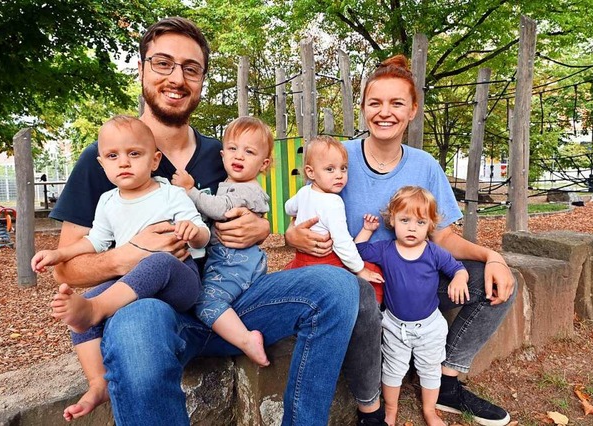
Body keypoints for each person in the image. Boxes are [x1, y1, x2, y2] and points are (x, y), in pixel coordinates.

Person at [49, 17, 360, 425]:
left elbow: (267, 214)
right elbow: (67, 267)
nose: (177, 78)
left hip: (236, 303)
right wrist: (130, 256)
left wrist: (265, 231)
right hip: (159, 312)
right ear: (141, 69)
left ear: (201, 81)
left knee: (337, 285)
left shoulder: (225, 152)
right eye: (163, 63)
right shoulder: (107, 156)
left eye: (190, 68)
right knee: (137, 325)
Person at [285, 54, 516, 426]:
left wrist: (493, 257)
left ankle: (445, 382)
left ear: (412, 110)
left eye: (396, 103)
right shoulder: (339, 158)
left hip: (414, 279)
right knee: (357, 298)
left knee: (497, 283)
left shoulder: (425, 165)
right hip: (359, 279)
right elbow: (303, 216)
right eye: (375, 103)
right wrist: (291, 234)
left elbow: (442, 237)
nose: (384, 112)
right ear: (363, 109)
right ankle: (371, 406)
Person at [33, 115, 210, 421]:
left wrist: (193, 232)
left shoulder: (170, 193)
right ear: (102, 164)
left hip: (179, 282)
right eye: (113, 156)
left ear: (154, 161)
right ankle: (98, 382)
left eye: (134, 154)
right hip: (135, 288)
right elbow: (95, 241)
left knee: (155, 262)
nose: (123, 163)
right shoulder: (107, 202)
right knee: (80, 306)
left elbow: (202, 231)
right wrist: (59, 253)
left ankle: (97, 309)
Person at [355, 186, 469, 426]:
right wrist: (366, 230)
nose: (411, 227)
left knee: (430, 370)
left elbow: (458, 268)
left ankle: (430, 411)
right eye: (405, 220)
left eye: (420, 222)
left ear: (430, 225)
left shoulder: (434, 252)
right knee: (393, 370)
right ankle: (391, 411)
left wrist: (459, 279)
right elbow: (358, 251)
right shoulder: (386, 250)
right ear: (392, 220)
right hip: (396, 326)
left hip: (429, 327)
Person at [171, 116, 274, 367]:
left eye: (249, 152)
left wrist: (190, 190)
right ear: (222, 154)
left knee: (206, 303)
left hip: (234, 261)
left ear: (264, 163)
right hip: (232, 260)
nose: (239, 156)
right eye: (232, 149)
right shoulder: (231, 183)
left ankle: (247, 340)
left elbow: (220, 210)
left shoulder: (247, 189)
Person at [284, 135, 384, 285]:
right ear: (311, 172)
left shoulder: (304, 192)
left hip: (301, 261)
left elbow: (288, 208)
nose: (339, 175)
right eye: (330, 169)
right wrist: (361, 270)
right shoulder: (333, 202)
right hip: (325, 263)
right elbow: (341, 241)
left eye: (343, 168)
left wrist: (298, 216)